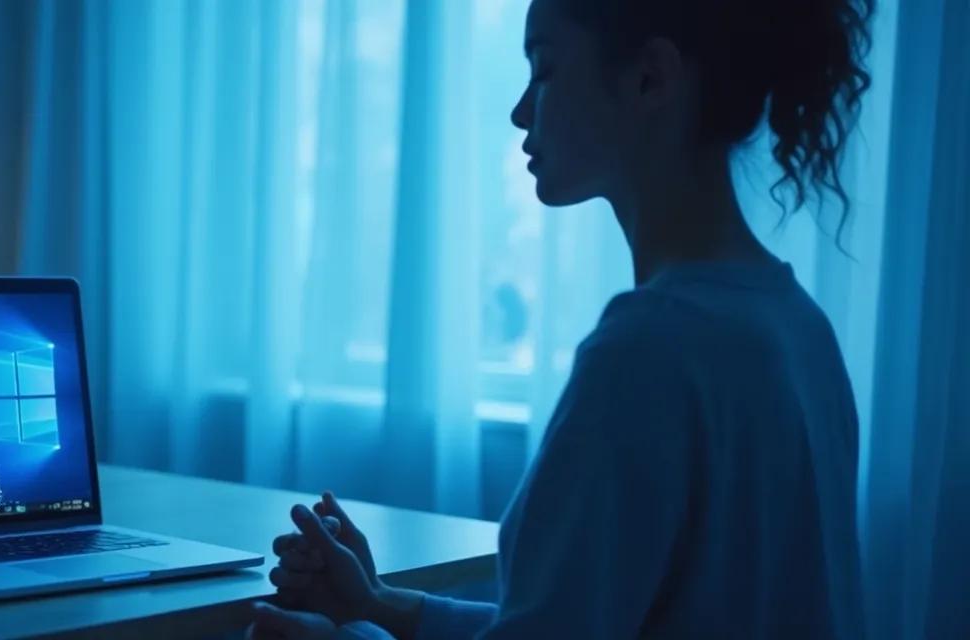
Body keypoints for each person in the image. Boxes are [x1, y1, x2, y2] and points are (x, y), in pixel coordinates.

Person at [250, 0, 874, 637]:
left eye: (543, 71)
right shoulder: (799, 328)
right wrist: (378, 606)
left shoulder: (647, 350)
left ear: (650, 78)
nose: (522, 110)